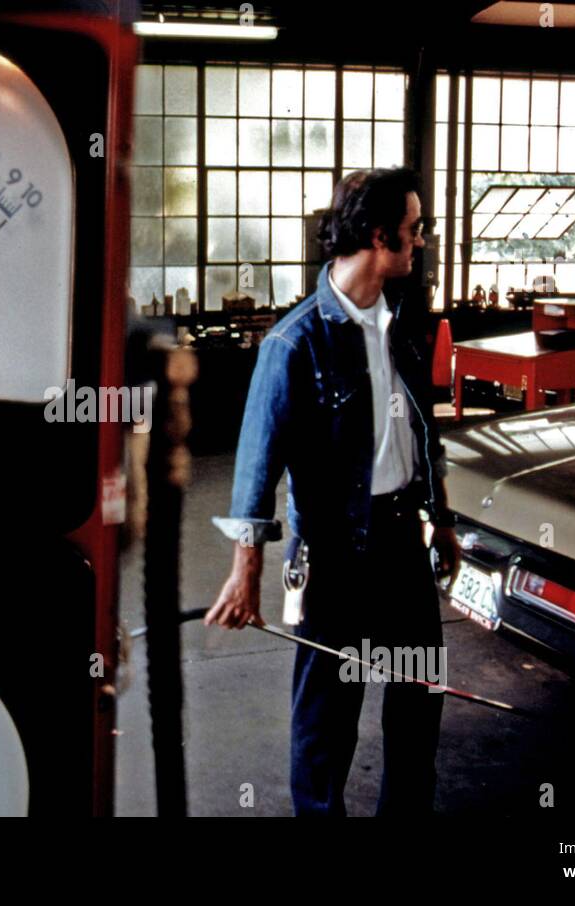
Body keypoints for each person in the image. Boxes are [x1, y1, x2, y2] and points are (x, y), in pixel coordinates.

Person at [205, 167, 460, 816]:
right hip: (332, 555)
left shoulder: (402, 323)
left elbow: (422, 434)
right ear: (379, 237)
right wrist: (246, 573)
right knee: (327, 718)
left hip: (403, 541)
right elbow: (256, 467)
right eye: (416, 229)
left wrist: (443, 519)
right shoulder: (294, 343)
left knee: (417, 700)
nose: (422, 240)